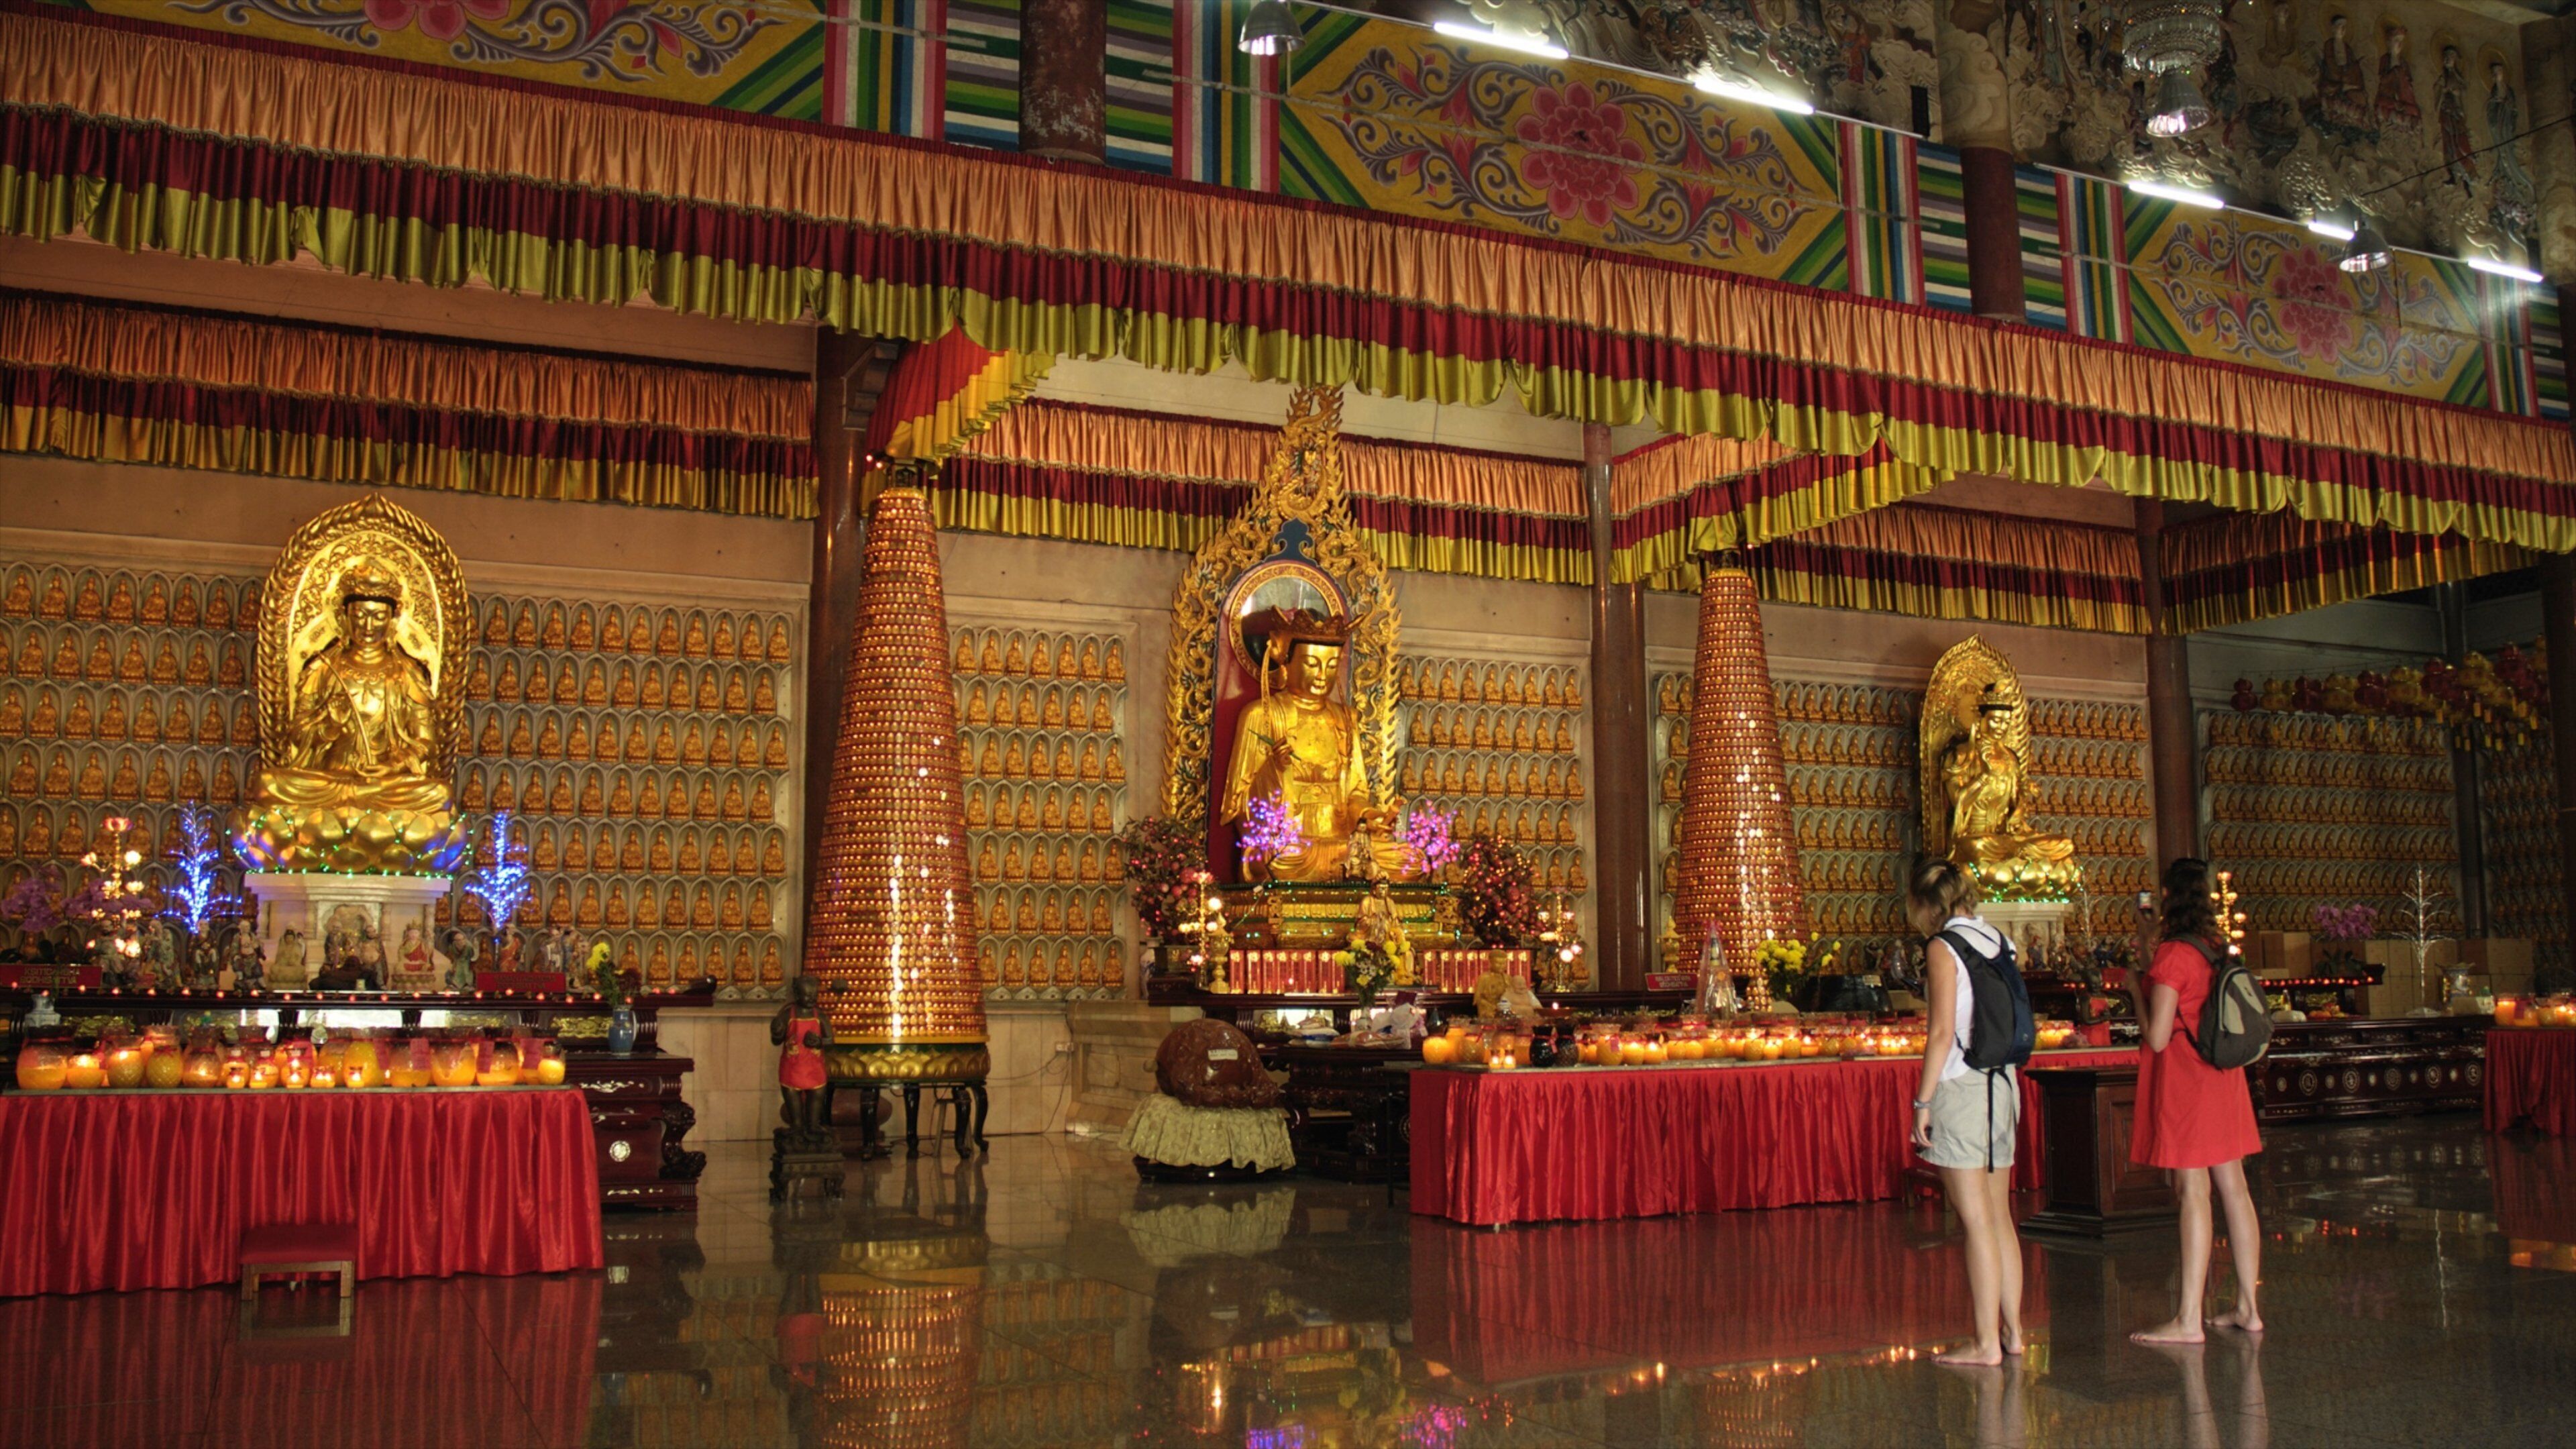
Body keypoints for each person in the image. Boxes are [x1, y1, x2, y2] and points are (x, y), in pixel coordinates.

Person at [2129, 857, 2266, 1343]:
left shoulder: (2172, 956)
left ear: (2167, 899)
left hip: (2189, 1084)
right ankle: (2248, 1307)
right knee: (2235, 1191)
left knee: (2194, 1193)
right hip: (2223, 1078)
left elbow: (2159, 1036)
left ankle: (2188, 1320)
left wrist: (2134, 990)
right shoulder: (2212, 947)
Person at [1906, 859, 2025, 1366]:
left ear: (1927, 905)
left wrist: (1923, 1102)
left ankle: (1983, 1343)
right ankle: (2014, 1333)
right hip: (2003, 1083)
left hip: (1962, 1084)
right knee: (2000, 1217)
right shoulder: (1998, 939)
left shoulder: (1943, 947)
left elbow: (1939, 1032)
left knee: (1974, 1221)